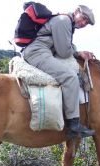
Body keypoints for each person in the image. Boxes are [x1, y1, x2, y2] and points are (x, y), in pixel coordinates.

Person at [22, 5, 95, 139]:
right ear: (76, 11)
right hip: (38, 52)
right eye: (84, 18)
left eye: (87, 22)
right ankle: (73, 125)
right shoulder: (64, 21)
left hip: (41, 51)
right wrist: (78, 52)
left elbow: (64, 47)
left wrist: (74, 51)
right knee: (70, 77)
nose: (84, 23)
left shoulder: (66, 22)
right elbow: (64, 51)